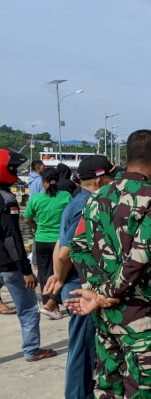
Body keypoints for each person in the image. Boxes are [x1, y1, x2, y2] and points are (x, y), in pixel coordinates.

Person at [64, 129, 151, 397]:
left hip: (106, 320)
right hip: (140, 318)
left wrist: (97, 290)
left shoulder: (96, 197)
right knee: (142, 390)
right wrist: (107, 294)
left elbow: (77, 248)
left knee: (111, 387)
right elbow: (141, 256)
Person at [43, 155, 115, 398]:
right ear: (99, 180)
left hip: (74, 282)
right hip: (79, 286)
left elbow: (60, 243)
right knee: (83, 348)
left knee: (86, 346)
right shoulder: (88, 206)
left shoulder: (76, 201)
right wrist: (60, 279)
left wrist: (56, 275)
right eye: (111, 178)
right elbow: (65, 252)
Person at [0, 149, 55, 362]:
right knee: (29, 309)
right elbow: (12, 238)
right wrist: (25, 269)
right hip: (10, 266)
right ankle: (32, 350)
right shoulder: (7, 199)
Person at [24, 167, 71, 319]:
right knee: (61, 272)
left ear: (43, 182)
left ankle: (50, 304)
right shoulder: (66, 196)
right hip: (60, 241)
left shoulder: (36, 198)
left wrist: (36, 227)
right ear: (57, 181)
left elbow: (26, 219)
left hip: (41, 239)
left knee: (45, 273)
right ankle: (56, 301)